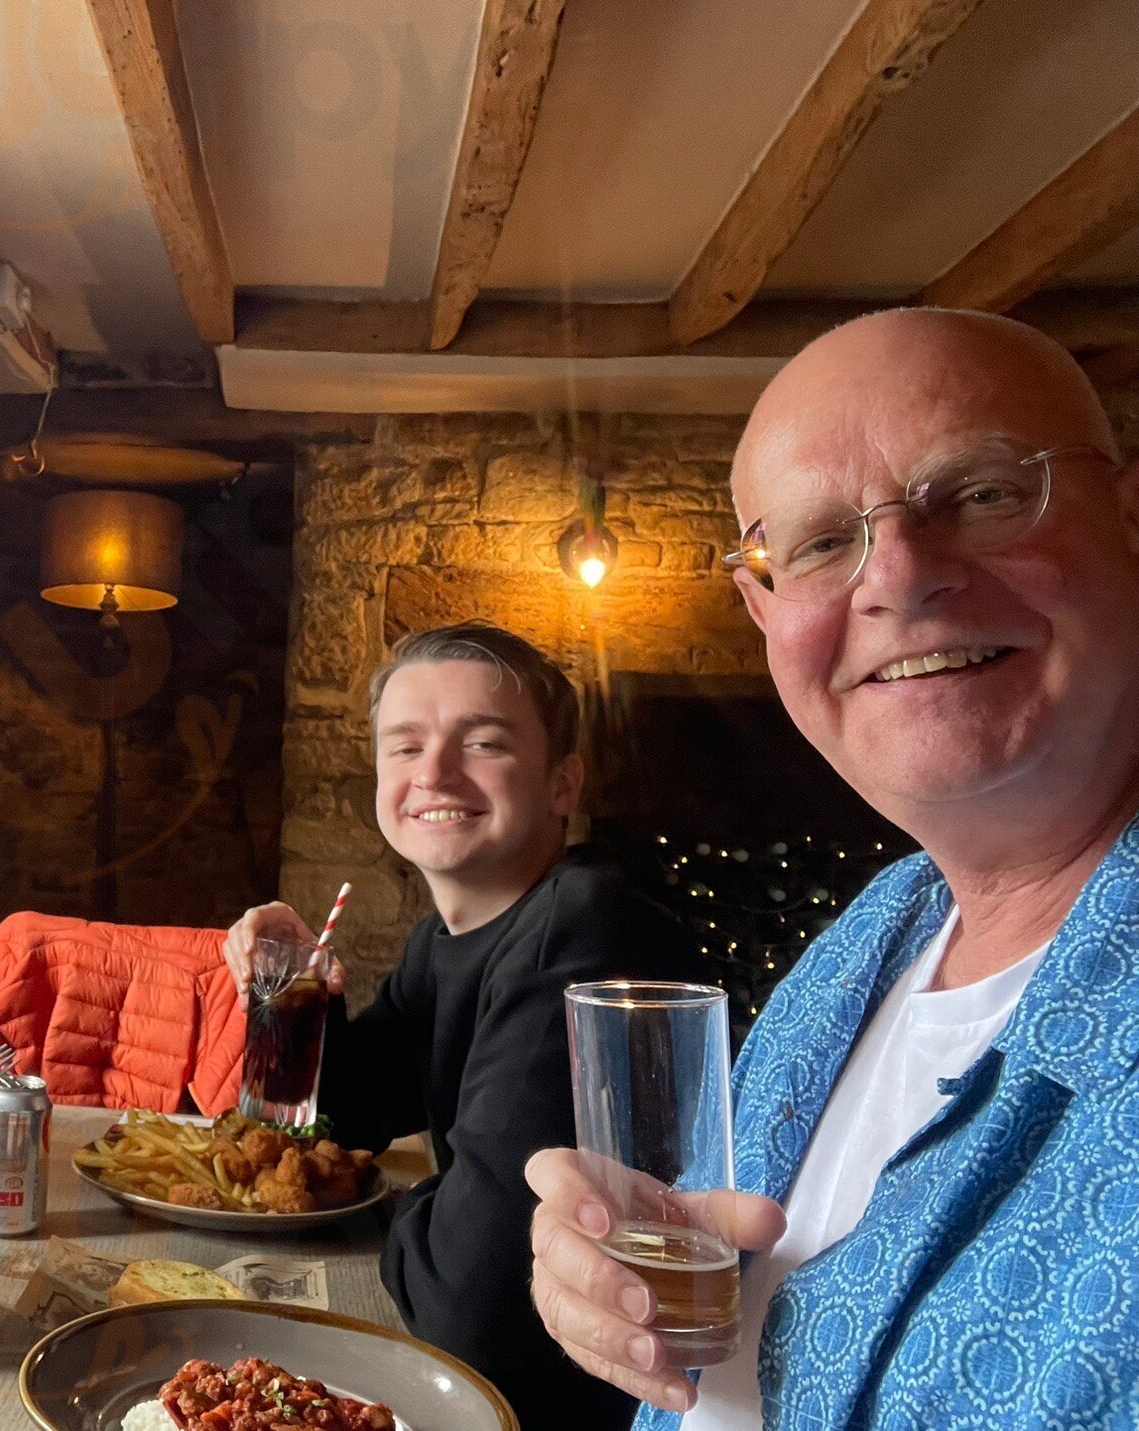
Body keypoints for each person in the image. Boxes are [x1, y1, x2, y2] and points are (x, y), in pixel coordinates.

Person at [526, 307, 1139, 1430]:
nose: (897, 576)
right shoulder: (876, 931)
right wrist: (609, 1274)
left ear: (1129, 520)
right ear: (761, 611)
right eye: (815, 543)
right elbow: (720, 1295)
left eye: (982, 494)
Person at [224, 622, 704, 1429]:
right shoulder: (442, 942)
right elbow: (333, 1124)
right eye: (406, 747)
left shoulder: (584, 929)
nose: (434, 773)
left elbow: (467, 1302)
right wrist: (289, 991)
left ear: (562, 784)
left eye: (483, 744)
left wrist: (410, 1203)